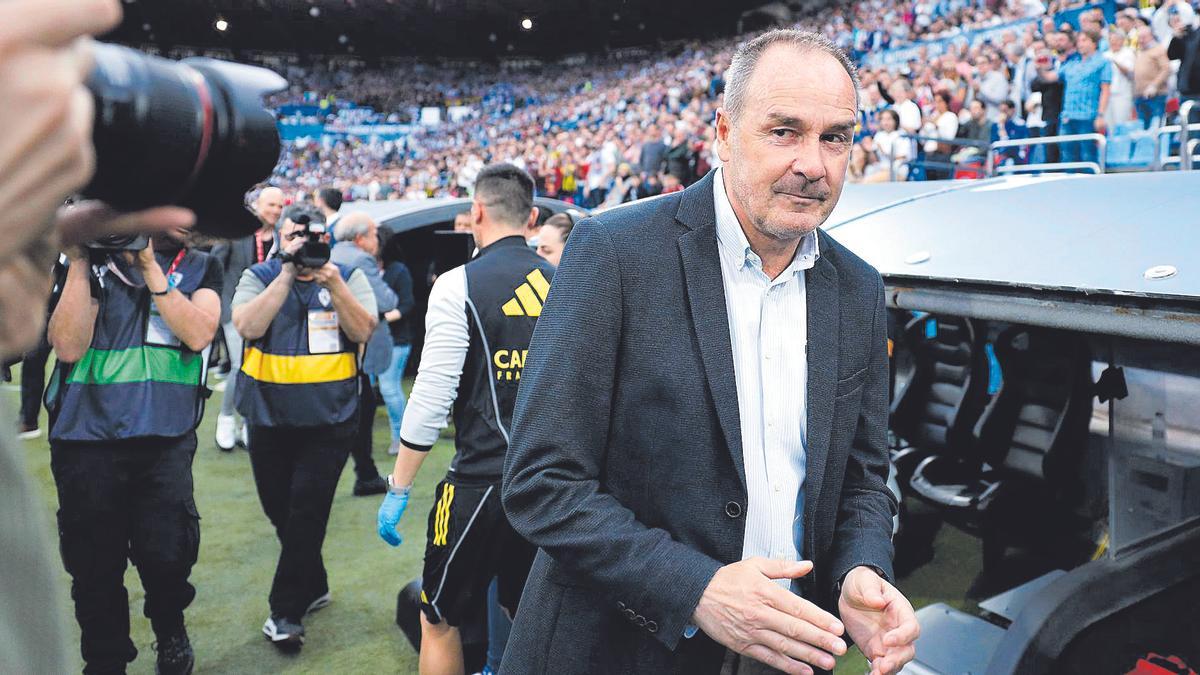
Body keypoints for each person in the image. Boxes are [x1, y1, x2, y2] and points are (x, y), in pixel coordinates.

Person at [501, 29, 917, 675]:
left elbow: (862, 473)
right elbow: (541, 482)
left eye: (834, 136)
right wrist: (693, 586)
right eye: (784, 131)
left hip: (788, 652)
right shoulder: (615, 252)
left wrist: (862, 564)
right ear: (723, 134)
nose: (814, 162)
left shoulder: (857, 285)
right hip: (616, 650)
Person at [376, 164, 555, 675]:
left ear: (475, 212)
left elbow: (432, 395)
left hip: (484, 480)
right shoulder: (564, 279)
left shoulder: (459, 284)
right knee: (527, 616)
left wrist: (400, 486)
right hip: (557, 482)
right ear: (533, 217)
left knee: (437, 615)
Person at [47, 220, 223, 675]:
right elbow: (67, 346)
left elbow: (199, 334)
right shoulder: (80, 263)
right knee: (94, 567)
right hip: (85, 439)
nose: (187, 219)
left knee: (167, 555)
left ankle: (169, 628)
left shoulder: (201, 265)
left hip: (165, 437)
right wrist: (82, 260)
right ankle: (105, 661)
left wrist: (148, 264)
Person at [232, 205, 379, 651]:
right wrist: (284, 272)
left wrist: (332, 282)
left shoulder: (347, 276)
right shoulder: (259, 275)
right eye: (295, 236)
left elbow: (363, 330)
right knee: (281, 511)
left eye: (313, 236)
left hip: (330, 420)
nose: (305, 244)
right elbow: (247, 324)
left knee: (305, 514)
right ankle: (312, 583)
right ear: (278, 238)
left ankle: (286, 612)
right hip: (268, 417)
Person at [210, 186, 284, 451]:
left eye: (279, 206)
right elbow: (215, 267)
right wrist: (220, 307)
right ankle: (226, 418)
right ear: (258, 206)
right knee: (241, 366)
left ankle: (247, 424)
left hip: (267, 314)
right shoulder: (237, 232)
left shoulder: (280, 237)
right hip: (235, 311)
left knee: (259, 368)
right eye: (271, 205)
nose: (276, 210)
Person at [331, 211, 398, 495]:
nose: (376, 239)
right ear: (360, 238)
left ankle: (365, 472)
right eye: (373, 233)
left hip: (334, 348)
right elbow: (387, 300)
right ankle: (365, 474)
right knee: (361, 410)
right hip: (357, 346)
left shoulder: (334, 254)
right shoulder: (360, 260)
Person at [378, 230, 417, 456]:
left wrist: (378, 320)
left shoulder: (398, 271)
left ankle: (400, 437)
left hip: (396, 339)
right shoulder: (368, 269)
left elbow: (406, 305)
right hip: (375, 338)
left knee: (389, 388)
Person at [1053, 29, 1111, 168]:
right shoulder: (1072, 62)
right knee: (1067, 156)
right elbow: (1052, 77)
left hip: (1088, 116)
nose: (1080, 44)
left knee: (1088, 156)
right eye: (1079, 40)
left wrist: (1101, 115)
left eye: (1084, 40)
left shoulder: (1103, 62)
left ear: (1094, 43)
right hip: (1068, 116)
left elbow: (1105, 90)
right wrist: (1040, 68)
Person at [1134, 24, 1171, 128]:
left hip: (1156, 95)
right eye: (1139, 37)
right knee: (1143, 127)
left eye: (1143, 37)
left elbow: (1166, 69)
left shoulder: (1158, 49)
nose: (1141, 40)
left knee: (1157, 126)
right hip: (1140, 95)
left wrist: (1154, 85)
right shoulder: (1139, 51)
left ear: (1151, 36)